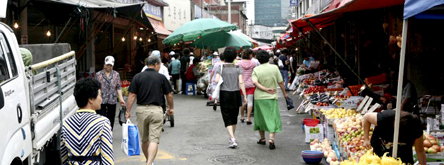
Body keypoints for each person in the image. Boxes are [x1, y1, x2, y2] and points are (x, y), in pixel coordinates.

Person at [126, 56, 174, 165]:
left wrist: (128, 111)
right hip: (157, 110)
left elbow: (132, 95)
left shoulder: (137, 77)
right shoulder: (161, 78)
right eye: (160, 65)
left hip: (141, 110)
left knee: (144, 140)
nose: (160, 67)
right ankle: (149, 163)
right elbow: (169, 95)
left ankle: (149, 161)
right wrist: (171, 108)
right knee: (154, 140)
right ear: (156, 64)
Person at [61, 78, 113, 165]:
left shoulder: (67, 123)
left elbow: (64, 157)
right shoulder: (102, 123)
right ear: (90, 99)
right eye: (100, 95)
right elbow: (107, 159)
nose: (101, 98)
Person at [252, 50, 289, 150]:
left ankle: (262, 138)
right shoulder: (274, 68)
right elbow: (281, 82)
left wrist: (263, 89)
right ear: (268, 58)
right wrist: (285, 94)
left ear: (258, 59)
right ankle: (271, 139)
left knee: (260, 118)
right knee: (272, 117)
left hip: (259, 97)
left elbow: (254, 82)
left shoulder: (256, 69)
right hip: (272, 97)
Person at [214, 47, 247, 148]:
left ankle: (232, 138)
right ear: (235, 57)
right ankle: (232, 137)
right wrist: (245, 96)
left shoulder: (221, 68)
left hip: (225, 94)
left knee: (226, 117)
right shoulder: (238, 68)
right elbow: (241, 82)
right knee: (234, 117)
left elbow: (216, 80)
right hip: (236, 94)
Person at [95, 56, 125, 130]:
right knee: (101, 117)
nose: (109, 67)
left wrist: (121, 98)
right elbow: (96, 87)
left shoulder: (116, 74)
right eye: (107, 65)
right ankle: (102, 131)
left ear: (113, 65)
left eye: (110, 65)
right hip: (102, 99)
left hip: (112, 99)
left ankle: (109, 132)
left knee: (111, 118)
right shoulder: (98, 74)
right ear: (104, 64)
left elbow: (118, 87)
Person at [237, 49, 257, 125]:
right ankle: (248, 118)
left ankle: (242, 116)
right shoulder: (253, 63)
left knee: (242, 102)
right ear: (249, 55)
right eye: (251, 54)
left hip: (241, 85)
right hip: (251, 84)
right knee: (250, 101)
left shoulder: (239, 63)